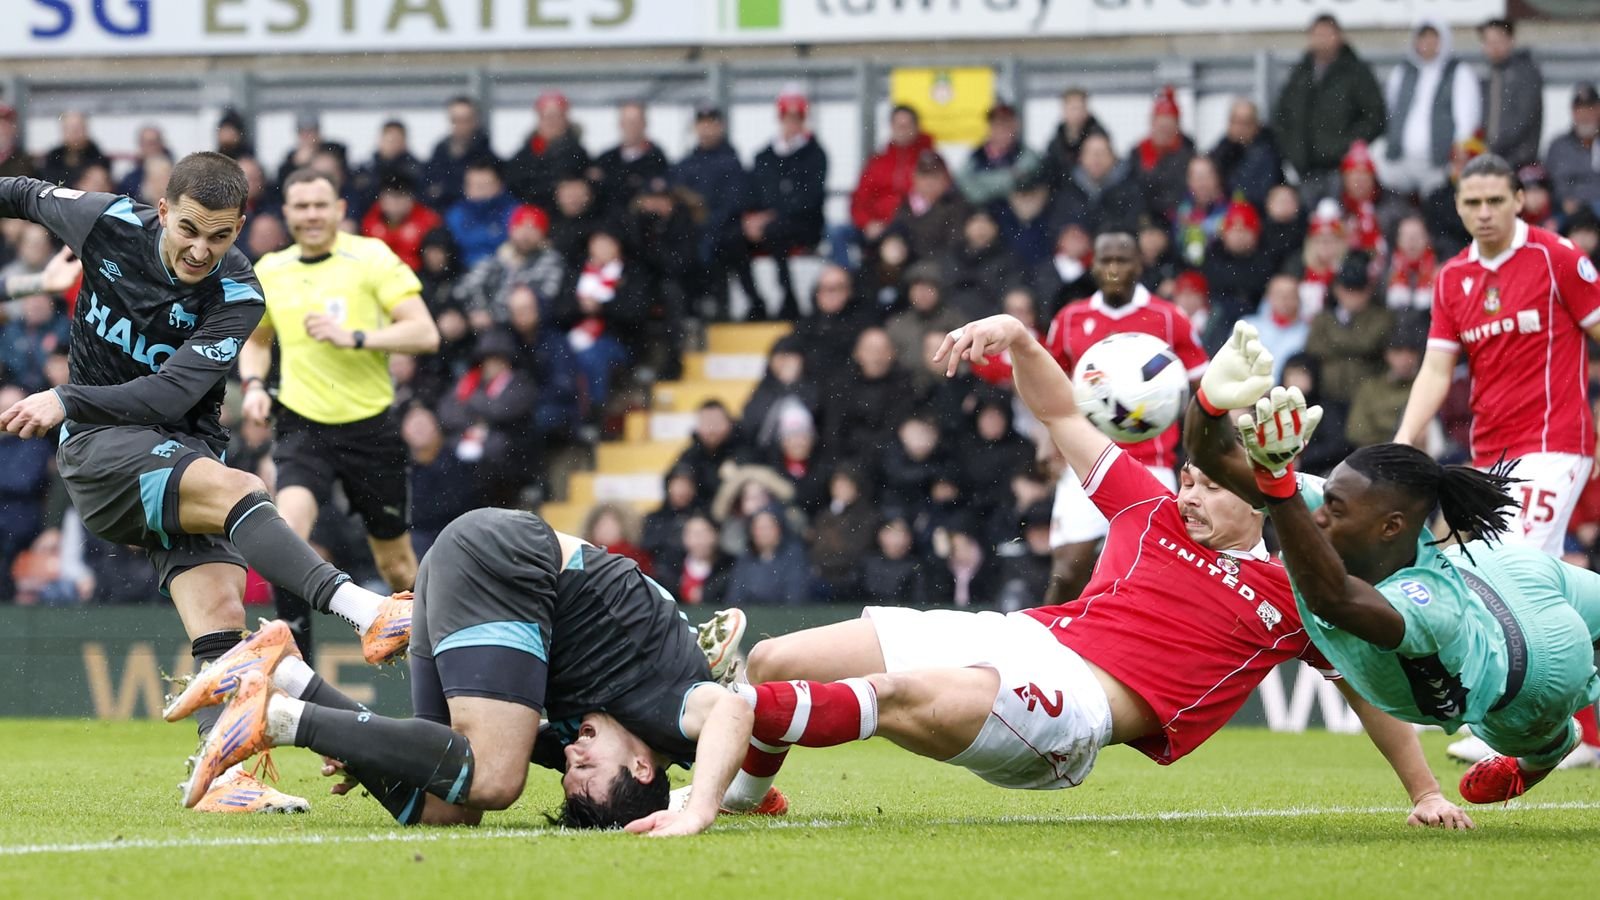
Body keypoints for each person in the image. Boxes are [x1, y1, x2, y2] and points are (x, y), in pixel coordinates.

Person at [701, 312, 1471, 829]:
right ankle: (745, 796)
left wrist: (1427, 791)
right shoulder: (1150, 511)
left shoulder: (1298, 590)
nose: (1189, 493)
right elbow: (1065, 416)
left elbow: (1369, 697)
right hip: (1021, 638)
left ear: (1258, 494)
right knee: (775, 657)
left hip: (1073, 709)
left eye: (1206, 483)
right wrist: (1023, 340)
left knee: (890, 695)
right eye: (1188, 478)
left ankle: (714, 731)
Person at [0, 155, 411, 812]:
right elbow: (16, 191)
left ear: (240, 226)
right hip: (102, 452)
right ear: (161, 211)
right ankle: (367, 612)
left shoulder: (239, 293)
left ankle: (224, 779)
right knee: (241, 485)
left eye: (219, 237)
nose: (200, 249)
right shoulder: (104, 220)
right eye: (188, 229)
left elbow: (172, 393)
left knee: (223, 624)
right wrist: (71, 401)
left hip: (176, 449)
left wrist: (66, 395)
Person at [1184, 333, 1600, 804]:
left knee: (1544, 740)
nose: (1318, 514)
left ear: (1390, 527)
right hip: (1498, 568)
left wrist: (1277, 488)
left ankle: (1540, 757)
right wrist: (1210, 400)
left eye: (1335, 510)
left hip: (1538, 669)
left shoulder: (1427, 605)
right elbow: (1214, 460)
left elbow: (1333, 598)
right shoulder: (1344, 506)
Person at [177, 508, 762, 836]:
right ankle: (279, 719)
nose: (570, 762)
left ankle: (287, 678)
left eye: (568, 776)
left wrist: (370, 748)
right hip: (510, 563)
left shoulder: (586, 737)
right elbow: (737, 710)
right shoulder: (670, 720)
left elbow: (438, 752)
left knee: (446, 807)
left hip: (475, 577)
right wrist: (703, 807)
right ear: (640, 766)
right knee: (499, 781)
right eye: (590, 770)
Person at [242, 167, 441, 661]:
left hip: (371, 427)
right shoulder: (271, 269)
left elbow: (425, 333)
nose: (311, 215)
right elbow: (257, 339)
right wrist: (251, 385)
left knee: (396, 565)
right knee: (287, 536)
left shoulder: (370, 257)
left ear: (338, 209)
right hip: (301, 425)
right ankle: (298, 675)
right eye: (301, 206)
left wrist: (354, 337)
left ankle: (438, 660)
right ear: (286, 213)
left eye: (319, 205)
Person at [1395, 154, 1600, 554]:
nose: (1484, 213)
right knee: (1453, 564)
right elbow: (1437, 371)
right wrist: (1404, 436)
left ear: (1519, 200)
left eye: (1496, 201)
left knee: (1512, 567)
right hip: (1488, 453)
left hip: (1552, 445)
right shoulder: (1451, 277)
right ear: (1458, 206)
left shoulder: (1557, 257)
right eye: (1473, 203)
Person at [1041, 232, 1208, 604]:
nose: (1114, 269)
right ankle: (1047, 649)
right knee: (1067, 570)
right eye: (1106, 260)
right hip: (1085, 460)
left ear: (1139, 264)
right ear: (1094, 266)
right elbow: (1047, 389)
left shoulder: (1170, 319)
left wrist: (1201, 456)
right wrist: (1047, 442)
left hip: (1151, 463)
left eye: (1123, 260)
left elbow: (1202, 391)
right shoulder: (1070, 319)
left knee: (1157, 577)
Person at [1273, 14, 1387, 203]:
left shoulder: (1356, 73)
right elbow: (1281, 118)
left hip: (1341, 170)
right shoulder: (1300, 74)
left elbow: (1375, 118)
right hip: (1305, 171)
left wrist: (1347, 146)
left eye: (1327, 34)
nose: (1322, 40)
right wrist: (1293, 153)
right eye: (1317, 34)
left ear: (1340, 37)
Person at [1379, 18, 1481, 197]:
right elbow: (1391, 111)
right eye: (1423, 38)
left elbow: (1467, 116)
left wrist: (1460, 147)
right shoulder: (1402, 72)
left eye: (1433, 38)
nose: (1427, 43)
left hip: (1438, 162)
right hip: (1402, 160)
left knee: (1435, 207)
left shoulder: (1458, 72)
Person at [1478, 18, 1543, 171]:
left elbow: (1523, 120)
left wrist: (1493, 147)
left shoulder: (1526, 73)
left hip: (1520, 161)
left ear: (1511, 41)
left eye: (1498, 40)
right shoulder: (1489, 75)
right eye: (1488, 42)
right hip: (1494, 159)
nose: (1493, 47)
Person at [1545, 84, 1600, 219]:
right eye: (1580, 109)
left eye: (1590, 109)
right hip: (1567, 215)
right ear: (1572, 112)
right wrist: (1564, 200)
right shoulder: (1558, 147)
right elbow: (1549, 183)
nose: (1585, 115)